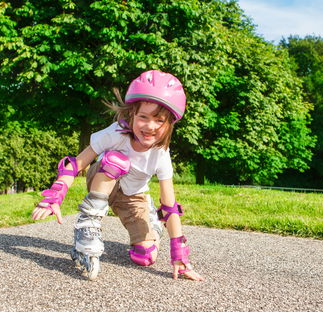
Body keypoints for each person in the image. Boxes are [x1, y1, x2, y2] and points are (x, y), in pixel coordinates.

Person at [31, 70, 204, 282]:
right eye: (143, 117)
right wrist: (54, 196)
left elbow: (169, 206)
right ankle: (88, 227)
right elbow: (76, 164)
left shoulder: (161, 155)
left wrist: (180, 256)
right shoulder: (116, 133)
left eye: (159, 120)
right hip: (103, 179)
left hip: (134, 198)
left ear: (170, 124)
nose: (150, 126)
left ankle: (153, 227)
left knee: (145, 257)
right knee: (115, 160)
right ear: (131, 114)